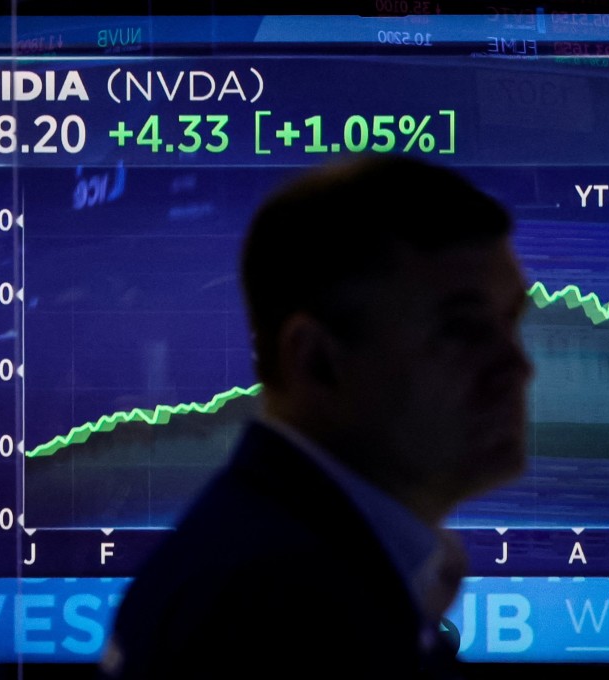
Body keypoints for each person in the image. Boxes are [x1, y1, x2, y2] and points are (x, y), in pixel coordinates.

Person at [98, 156, 533, 678]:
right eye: (462, 329)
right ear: (317, 362)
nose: (517, 366)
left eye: (512, 323)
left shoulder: (291, 561)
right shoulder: (279, 609)